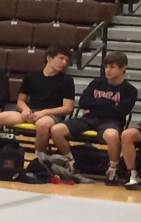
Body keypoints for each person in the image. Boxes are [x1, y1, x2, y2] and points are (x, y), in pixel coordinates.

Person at [49, 54, 136, 182]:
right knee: (56, 130)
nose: (108, 70)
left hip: (111, 121)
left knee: (112, 136)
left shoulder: (130, 90)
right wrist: (110, 104)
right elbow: (83, 102)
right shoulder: (96, 83)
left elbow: (121, 111)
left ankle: (113, 169)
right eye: (106, 67)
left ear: (123, 68)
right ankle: (71, 162)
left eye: (112, 67)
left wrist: (96, 104)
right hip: (89, 118)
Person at [0, 46, 74, 155]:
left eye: (66, 60)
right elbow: (20, 101)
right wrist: (25, 109)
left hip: (51, 115)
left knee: (42, 124)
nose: (64, 62)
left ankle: (39, 158)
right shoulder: (31, 77)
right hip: (31, 111)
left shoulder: (67, 80)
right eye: (61, 58)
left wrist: (44, 112)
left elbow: (68, 108)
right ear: (49, 58)